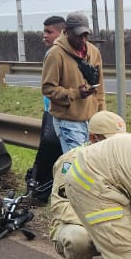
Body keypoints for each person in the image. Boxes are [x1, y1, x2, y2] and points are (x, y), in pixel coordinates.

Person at [49, 110, 128, 259]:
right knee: (77, 239)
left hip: (114, 220)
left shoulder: (124, 161)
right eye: (112, 141)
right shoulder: (71, 162)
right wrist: (98, 223)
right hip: (78, 223)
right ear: (93, 138)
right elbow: (60, 206)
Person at [40, 12, 104, 154]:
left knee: (90, 162)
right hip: (69, 121)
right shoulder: (55, 54)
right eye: (78, 35)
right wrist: (75, 93)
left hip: (92, 119)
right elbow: (47, 88)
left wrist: (101, 113)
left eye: (86, 35)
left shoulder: (93, 52)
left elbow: (100, 88)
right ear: (67, 32)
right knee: (77, 164)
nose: (83, 39)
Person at [25, 15, 66, 204]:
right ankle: (42, 191)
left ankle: (42, 192)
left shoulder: (60, 54)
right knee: (50, 153)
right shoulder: (52, 53)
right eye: (44, 31)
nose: (45, 36)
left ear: (62, 32)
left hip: (58, 113)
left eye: (50, 32)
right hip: (49, 111)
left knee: (50, 152)